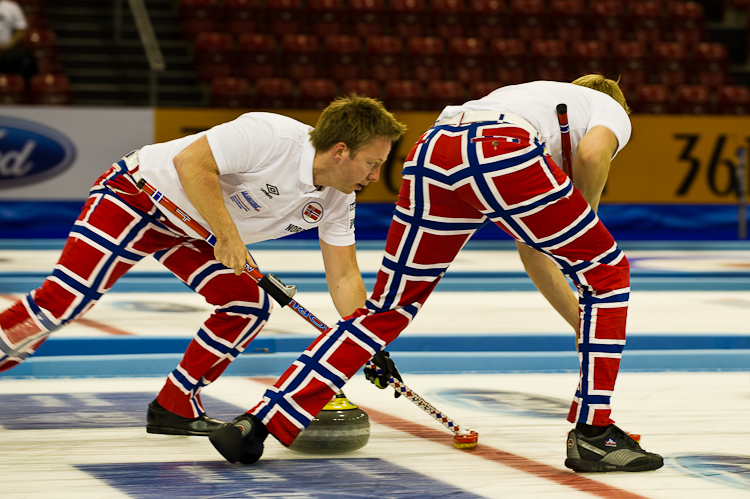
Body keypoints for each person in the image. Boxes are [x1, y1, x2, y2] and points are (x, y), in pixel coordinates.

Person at [209, 75, 665, 473]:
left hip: (433, 151)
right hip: (498, 150)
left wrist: (583, 325)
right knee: (608, 269)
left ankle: (258, 422)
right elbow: (591, 153)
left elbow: (533, 252)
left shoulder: (531, 101)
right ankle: (594, 432)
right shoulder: (609, 109)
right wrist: (588, 228)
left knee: (387, 309)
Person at [0, 95, 407, 436]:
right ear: (340, 152)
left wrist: (366, 342)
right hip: (134, 198)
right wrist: (228, 237)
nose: (376, 176)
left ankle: (175, 405)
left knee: (248, 305)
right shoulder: (270, 135)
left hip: (192, 231)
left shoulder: (338, 199)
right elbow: (192, 164)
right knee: (64, 301)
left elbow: (344, 276)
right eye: (373, 163)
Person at [0, 0, 36, 84]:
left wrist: (9, 45)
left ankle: (21, 88)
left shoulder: (11, 7)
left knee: (27, 59)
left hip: (7, 49)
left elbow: (21, 30)